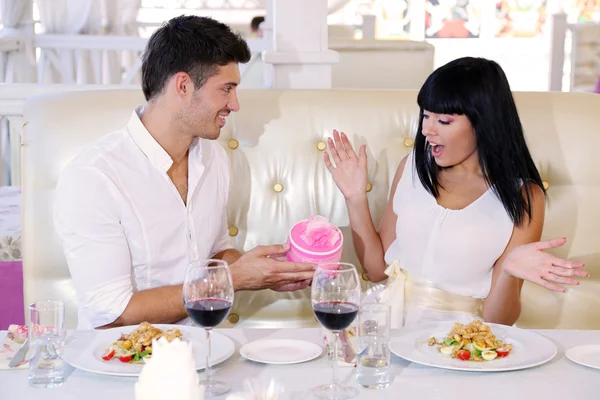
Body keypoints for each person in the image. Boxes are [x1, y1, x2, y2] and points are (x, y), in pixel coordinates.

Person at [54, 15, 315, 330]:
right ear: (183, 85)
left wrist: (264, 272)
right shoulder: (93, 177)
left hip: (205, 350)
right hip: (124, 362)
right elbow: (113, 313)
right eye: (226, 89)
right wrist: (235, 279)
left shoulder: (213, 157)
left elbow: (215, 252)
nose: (235, 105)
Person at [325, 57, 588, 327]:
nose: (427, 130)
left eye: (444, 121)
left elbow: (499, 319)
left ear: (483, 123)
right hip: (385, 327)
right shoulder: (411, 168)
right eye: (425, 116)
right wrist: (355, 197)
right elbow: (376, 271)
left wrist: (510, 270)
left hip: (457, 342)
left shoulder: (524, 196)